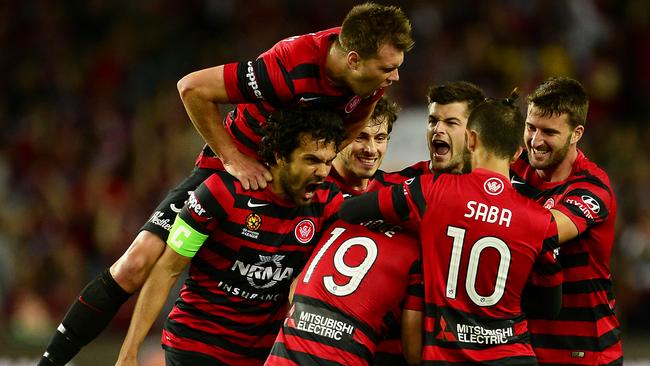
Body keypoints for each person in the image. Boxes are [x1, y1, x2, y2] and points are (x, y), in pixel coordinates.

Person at [37, 4, 414, 365]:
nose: (395, 77)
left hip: (291, 178)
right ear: (353, 60)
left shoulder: (370, 80)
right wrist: (233, 159)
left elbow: (350, 125)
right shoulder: (287, 67)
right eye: (388, 68)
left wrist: (318, 171)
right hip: (235, 169)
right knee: (135, 264)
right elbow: (192, 88)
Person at [339, 95, 567, 365]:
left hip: (447, 356)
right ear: (518, 153)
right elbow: (550, 307)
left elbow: (349, 211)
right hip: (512, 356)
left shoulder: (431, 191)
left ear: (470, 140)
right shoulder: (541, 220)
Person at [116, 108, 346, 366]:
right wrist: (129, 352)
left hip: (261, 355)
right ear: (280, 155)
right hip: (197, 346)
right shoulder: (220, 193)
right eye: (312, 160)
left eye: (328, 162)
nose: (323, 172)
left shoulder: (328, 202)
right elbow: (167, 270)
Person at [264, 97, 423, 366]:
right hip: (288, 339)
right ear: (343, 138)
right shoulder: (309, 192)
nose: (371, 149)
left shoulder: (390, 194)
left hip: (361, 348)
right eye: (361, 137)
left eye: (380, 138)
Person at [370, 81, 485, 365]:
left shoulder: (496, 204)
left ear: (474, 134)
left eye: (451, 122)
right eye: (433, 120)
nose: (438, 129)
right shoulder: (395, 187)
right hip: (385, 351)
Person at [510, 76, 623, 365]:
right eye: (530, 127)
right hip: (527, 346)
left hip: (585, 351)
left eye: (549, 132)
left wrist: (487, 207)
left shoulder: (593, 186)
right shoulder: (515, 168)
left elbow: (546, 230)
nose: (535, 141)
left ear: (576, 133)